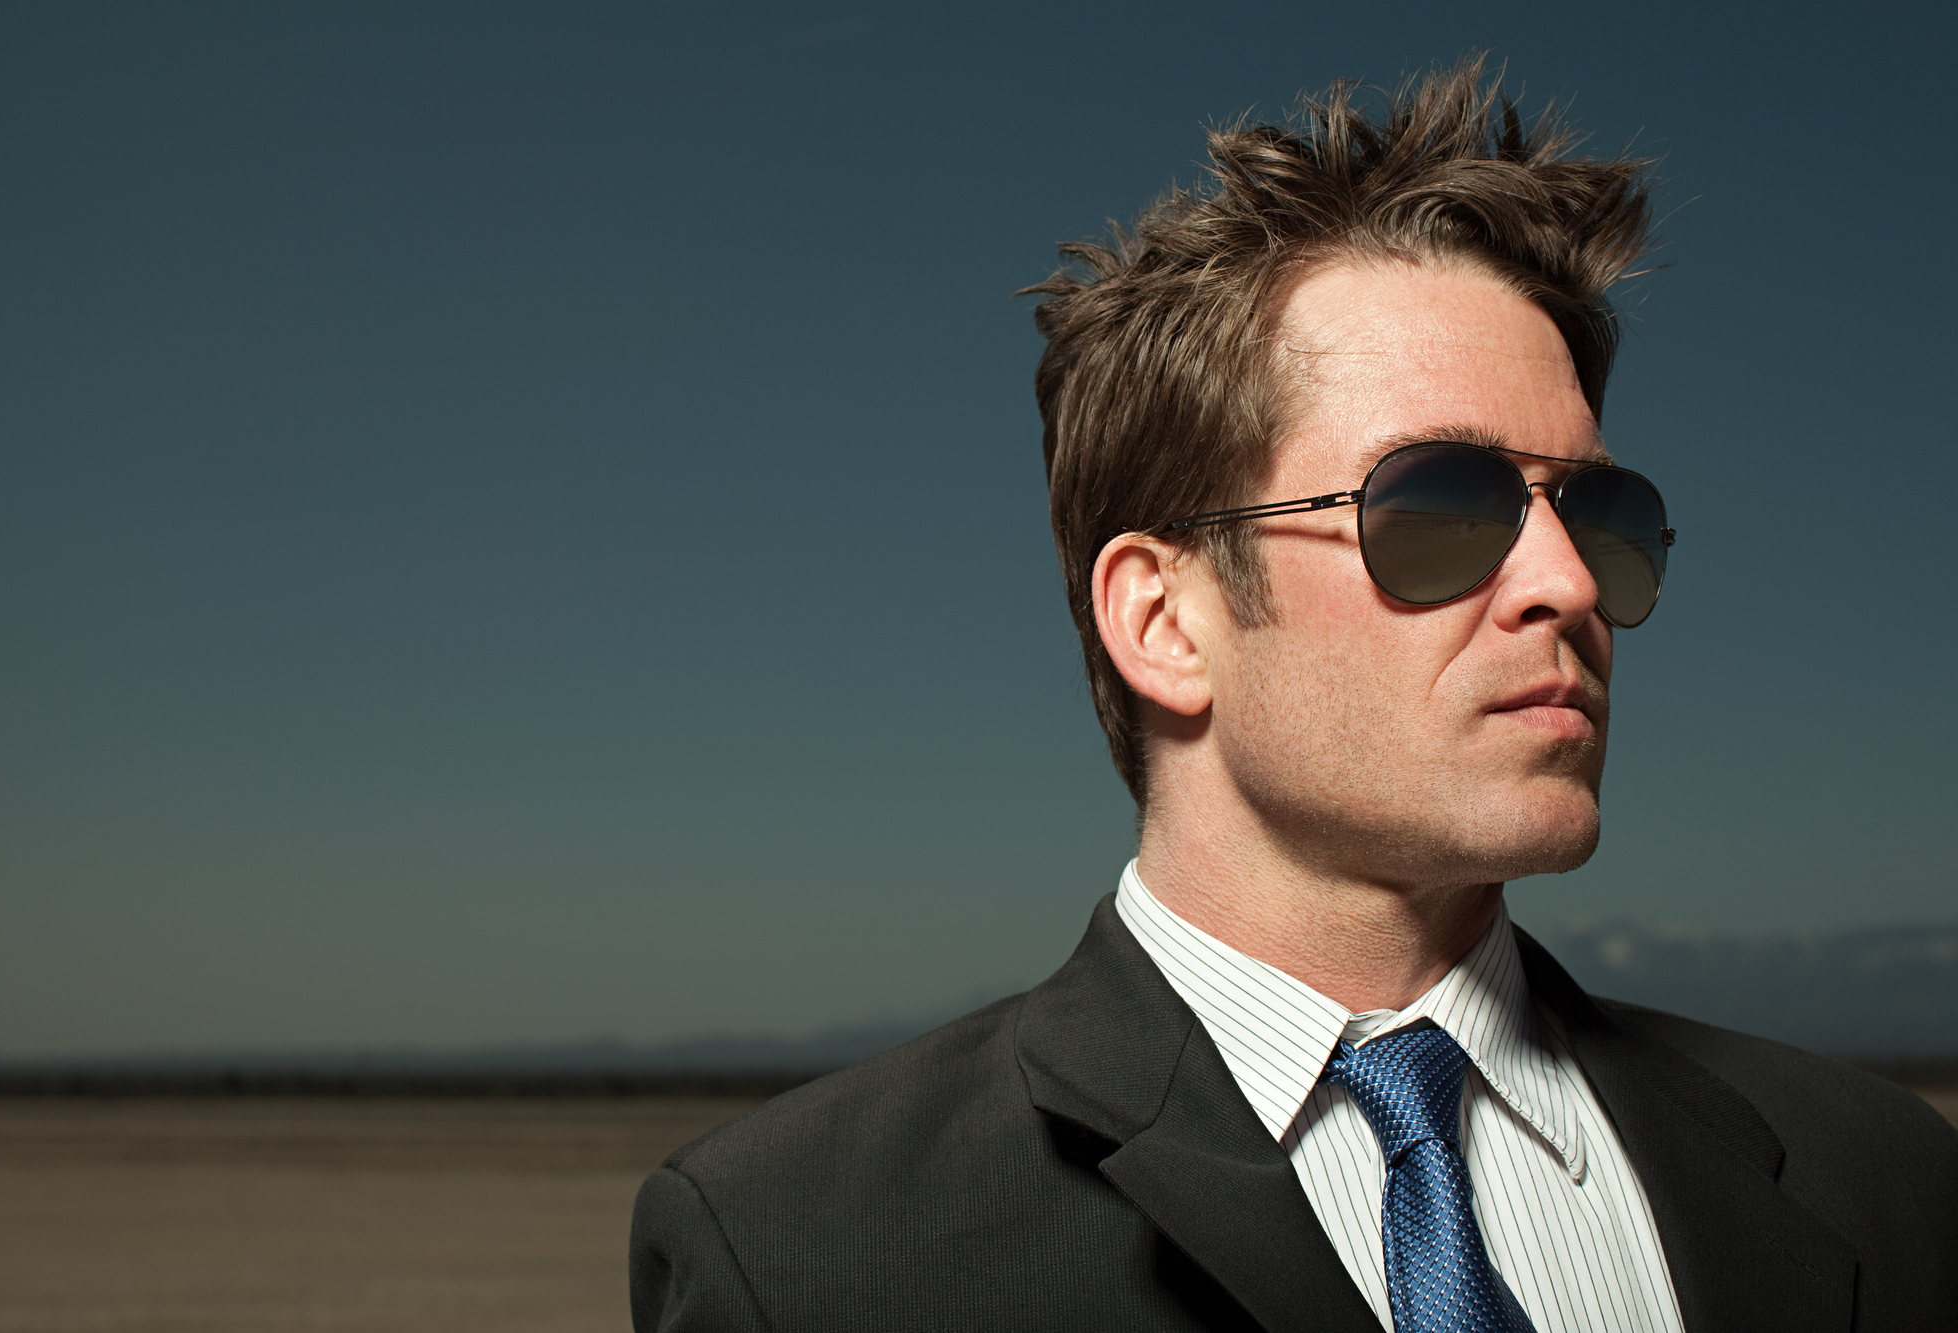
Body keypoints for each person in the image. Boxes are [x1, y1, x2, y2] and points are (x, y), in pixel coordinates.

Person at [630, 59, 1957, 1332]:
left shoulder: (1888, 1180)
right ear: (1164, 620)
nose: (1566, 582)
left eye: (1601, 513)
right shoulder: (807, 1251)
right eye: (1442, 503)